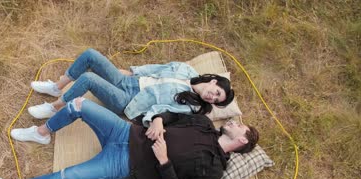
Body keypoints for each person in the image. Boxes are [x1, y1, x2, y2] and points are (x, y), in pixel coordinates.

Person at [0, 97, 258, 179]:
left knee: (66, 177)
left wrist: (165, 161)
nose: (235, 122)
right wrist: (157, 120)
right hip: (127, 131)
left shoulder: (215, 169)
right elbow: (171, 114)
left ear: (242, 142)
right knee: (79, 104)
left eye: (241, 127)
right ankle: (42, 134)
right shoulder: (205, 123)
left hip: (125, 163)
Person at [26, 48, 234, 129]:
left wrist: (146, 119)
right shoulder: (186, 70)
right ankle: (56, 87)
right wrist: (131, 71)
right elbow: (156, 68)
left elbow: (161, 112)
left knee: (89, 78)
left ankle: (55, 107)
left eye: (216, 100)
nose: (212, 97)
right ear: (214, 81)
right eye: (217, 93)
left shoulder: (190, 106)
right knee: (90, 55)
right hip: (130, 82)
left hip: (128, 101)